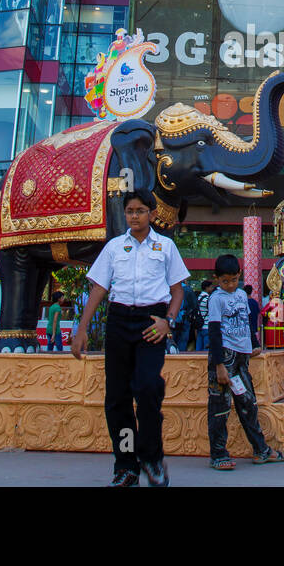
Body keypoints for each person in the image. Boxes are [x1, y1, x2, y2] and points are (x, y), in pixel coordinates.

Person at [72, 190, 188, 487]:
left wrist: (168, 322)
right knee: (118, 398)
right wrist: (82, 329)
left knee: (149, 388)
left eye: (139, 211)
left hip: (152, 323)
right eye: (129, 211)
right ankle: (126, 466)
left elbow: (177, 291)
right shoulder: (113, 247)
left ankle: (152, 458)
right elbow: (99, 289)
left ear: (151, 213)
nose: (134, 216)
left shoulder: (165, 246)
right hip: (119, 322)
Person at [206, 253, 284, 470]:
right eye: (225, 281)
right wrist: (219, 365)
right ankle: (218, 454)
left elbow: (247, 321)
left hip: (241, 358)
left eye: (233, 280)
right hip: (224, 356)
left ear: (239, 275)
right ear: (216, 279)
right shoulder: (216, 299)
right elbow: (213, 332)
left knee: (248, 404)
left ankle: (260, 449)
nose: (230, 285)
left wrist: (253, 342)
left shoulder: (242, 295)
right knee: (220, 407)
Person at [194, 278, 217, 351]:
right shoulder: (208, 298)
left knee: (198, 348)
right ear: (207, 288)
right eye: (211, 287)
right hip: (207, 326)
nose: (212, 288)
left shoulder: (198, 297)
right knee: (206, 350)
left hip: (199, 326)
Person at [243, 284, 261, 353]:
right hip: (253, 325)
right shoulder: (255, 302)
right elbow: (258, 312)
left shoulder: (244, 302)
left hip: (246, 327)